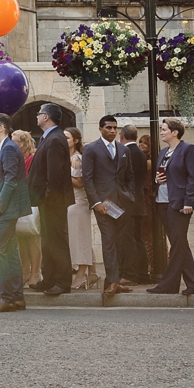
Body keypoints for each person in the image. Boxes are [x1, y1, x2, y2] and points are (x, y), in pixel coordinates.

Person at [0, 113, 31, 312]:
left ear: (1, 128)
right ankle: (16, 298)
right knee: (9, 252)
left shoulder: (8, 148)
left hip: (7, 210)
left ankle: (7, 297)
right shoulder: (6, 148)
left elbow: (10, 182)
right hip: (9, 209)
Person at [148, 118, 194, 296]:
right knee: (179, 244)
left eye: (164, 129)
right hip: (162, 202)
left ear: (175, 132)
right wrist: (157, 180)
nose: (161, 132)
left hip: (179, 203)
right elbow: (160, 176)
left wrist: (189, 201)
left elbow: (192, 178)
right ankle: (193, 284)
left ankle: (168, 285)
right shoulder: (163, 152)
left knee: (177, 245)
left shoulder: (187, 149)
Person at [82, 115, 135, 297]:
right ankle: (112, 282)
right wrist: (96, 202)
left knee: (120, 242)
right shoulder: (90, 149)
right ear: (100, 129)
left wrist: (130, 196)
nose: (112, 131)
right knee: (109, 241)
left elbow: (130, 176)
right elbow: (87, 178)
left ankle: (115, 280)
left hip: (122, 204)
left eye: (114, 128)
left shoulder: (123, 150)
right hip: (103, 205)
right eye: (108, 128)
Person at [28, 103, 73, 296]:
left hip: (53, 201)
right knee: (47, 241)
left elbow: (54, 173)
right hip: (46, 201)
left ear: (46, 117)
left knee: (56, 241)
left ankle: (63, 282)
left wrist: (48, 197)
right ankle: (49, 278)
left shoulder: (55, 139)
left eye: (39, 114)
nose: (37, 117)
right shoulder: (49, 138)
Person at [64, 127, 96, 290]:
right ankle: (93, 272)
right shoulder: (66, 156)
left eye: (67, 138)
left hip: (78, 201)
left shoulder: (76, 158)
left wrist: (63, 174)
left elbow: (79, 182)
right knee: (81, 236)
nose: (64, 140)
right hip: (70, 201)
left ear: (75, 141)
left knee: (79, 238)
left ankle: (81, 274)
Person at [117, 125, 150, 285]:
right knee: (137, 239)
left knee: (129, 239)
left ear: (122, 136)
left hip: (128, 202)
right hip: (138, 201)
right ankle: (142, 273)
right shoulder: (140, 153)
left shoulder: (126, 152)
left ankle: (130, 274)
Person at [11, 130, 41, 289]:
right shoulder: (16, 158)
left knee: (33, 237)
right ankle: (24, 270)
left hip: (30, 201)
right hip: (18, 201)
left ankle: (35, 272)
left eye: (14, 142)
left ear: (22, 143)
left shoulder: (32, 158)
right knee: (21, 237)